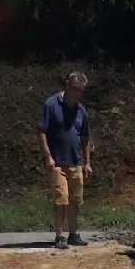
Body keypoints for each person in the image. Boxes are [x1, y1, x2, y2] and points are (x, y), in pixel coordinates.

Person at [37, 72, 92, 249]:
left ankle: (73, 234)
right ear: (67, 85)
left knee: (75, 200)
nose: (78, 94)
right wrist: (47, 156)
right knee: (62, 198)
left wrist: (87, 162)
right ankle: (59, 235)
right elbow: (41, 131)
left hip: (76, 162)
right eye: (75, 89)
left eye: (81, 91)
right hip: (57, 162)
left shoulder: (81, 111)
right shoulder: (51, 104)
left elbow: (85, 137)